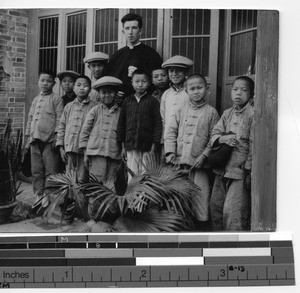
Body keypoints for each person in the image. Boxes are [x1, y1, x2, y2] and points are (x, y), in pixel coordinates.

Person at [164, 74, 220, 228]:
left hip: (199, 164)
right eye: (192, 88)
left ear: (207, 89)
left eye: (200, 88)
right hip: (178, 163)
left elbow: (214, 138)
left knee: (200, 195)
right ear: (187, 91)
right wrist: (170, 153)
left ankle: (200, 226)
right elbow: (170, 132)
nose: (196, 92)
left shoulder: (211, 113)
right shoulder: (181, 110)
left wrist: (204, 155)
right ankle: (179, 225)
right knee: (179, 195)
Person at [209, 75, 254, 231]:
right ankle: (216, 247)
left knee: (233, 212)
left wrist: (248, 169)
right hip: (221, 169)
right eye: (235, 89)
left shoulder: (253, 114)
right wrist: (224, 139)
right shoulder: (227, 113)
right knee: (216, 209)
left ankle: (233, 248)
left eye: (243, 90)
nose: (238, 93)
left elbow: (254, 144)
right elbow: (214, 134)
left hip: (239, 172)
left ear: (251, 94)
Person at [25, 70, 63, 202]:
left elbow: (60, 119)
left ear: (54, 83)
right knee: (36, 170)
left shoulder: (56, 99)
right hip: (35, 140)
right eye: (42, 80)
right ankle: (39, 194)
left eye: (49, 81)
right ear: (38, 82)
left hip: (49, 140)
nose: (45, 83)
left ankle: (49, 195)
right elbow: (30, 118)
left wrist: (57, 137)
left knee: (50, 169)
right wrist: (28, 137)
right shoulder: (36, 99)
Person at [116, 69, 162, 180]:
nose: (140, 84)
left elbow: (157, 123)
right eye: (137, 81)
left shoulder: (153, 101)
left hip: (147, 145)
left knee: (145, 174)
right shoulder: (127, 101)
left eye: (144, 81)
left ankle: (143, 197)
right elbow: (121, 124)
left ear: (149, 83)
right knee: (132, 174)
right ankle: (132, 197)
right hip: (130, 145)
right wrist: (122, 146)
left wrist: (154, 144)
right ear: (132, 82)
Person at [106, 13, 162, 96]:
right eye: (127, 28)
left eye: (134, 28)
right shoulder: (117, 56)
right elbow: (110, 80)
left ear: (140, 31)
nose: (130, 32)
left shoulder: (151, 54)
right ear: (123, 31)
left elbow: (157, 81)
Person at [79, 76, 123, 183]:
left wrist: (122, 151)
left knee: (111, 185)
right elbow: (85, 132)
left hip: (114, 154)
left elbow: (123, 133)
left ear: (116, 93)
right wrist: (86, 154)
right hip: (96, 154)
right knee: (96, 184)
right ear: (98, 94)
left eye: (111, 92)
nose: (107, 95)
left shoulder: (121, 112)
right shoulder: (95, 111)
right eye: (103, 92)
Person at [56, 75, 96, 183]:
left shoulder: (94, 108)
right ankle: (71, 199)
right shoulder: (68, 107)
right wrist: (61, 147)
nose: (82, 88)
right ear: (74, 88)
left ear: (90, 89)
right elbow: (62, 127)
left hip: (84, 151)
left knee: (83, 178)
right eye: (78, 85)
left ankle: (81, 200)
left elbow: (95, 131)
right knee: (70, 178)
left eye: (85, 86)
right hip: (69, 148)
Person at [160, 55, 194, 146]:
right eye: (171, 71)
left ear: (185, 72)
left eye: (178, 70)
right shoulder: (166, 94)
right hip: (169, 139)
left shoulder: (191, 92)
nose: (174, 74)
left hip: (187, 138)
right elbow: (163, 119)